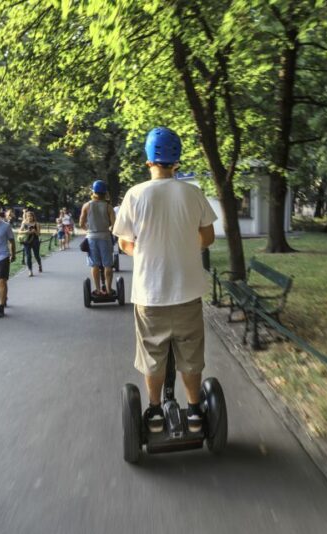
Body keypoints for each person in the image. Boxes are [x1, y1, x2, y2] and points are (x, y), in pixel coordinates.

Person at [112, 126, 216, 434]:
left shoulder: (135, 195)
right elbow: (207, 236)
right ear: (177, 162)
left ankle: (155, 411)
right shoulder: (193, 193)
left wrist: (144, 251)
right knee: (191, 354)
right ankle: (195, 411)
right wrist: (183, 247)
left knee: (153, 356)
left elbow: (124, 243)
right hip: (187, 292)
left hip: (150, 295)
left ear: (148, 162)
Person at [79, 181, 116, 296]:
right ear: (105, 193)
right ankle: (109, 290)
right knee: (107, 265)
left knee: (95, 265)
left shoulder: (87, 205)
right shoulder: (108, 207)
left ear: (93, 192)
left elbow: (81, 223)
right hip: (105, 236)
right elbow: (114, 225)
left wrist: (89, 230)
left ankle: (98, 290)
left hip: (92, 237)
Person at [18, 210, 42, 277]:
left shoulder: (36, 224)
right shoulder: (24, 223)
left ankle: (39, 264)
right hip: (26, 242)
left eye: (31, 216)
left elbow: (39, 234)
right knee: (28, 256)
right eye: (28, 216)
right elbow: (19, 231)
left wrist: (34, 231)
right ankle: (30, 270)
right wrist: (26, 232)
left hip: (35, 241)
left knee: (36, 255)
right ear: (26, 217)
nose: (30, 217)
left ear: (33, 217)